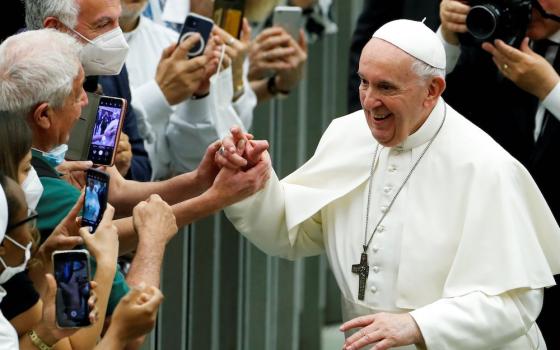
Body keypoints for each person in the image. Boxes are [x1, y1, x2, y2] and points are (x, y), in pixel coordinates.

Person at [219, 19, 560, 349]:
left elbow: (517, 303)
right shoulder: (347, 134)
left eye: (386, 87)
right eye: (364, 82)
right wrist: (255, 184)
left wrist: (418, 326)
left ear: (432, 90)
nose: (368, 101)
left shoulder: (485, 166)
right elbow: (292, 231)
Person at [439, 0, 560, 346]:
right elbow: (431, 103)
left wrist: (551, 90)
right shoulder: (494, 24)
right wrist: (447, 37)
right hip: (495, 249)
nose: (529, 5)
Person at [25, 0, 153, 181]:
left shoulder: (109, 68)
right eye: (102, 24)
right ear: (55, 29)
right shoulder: (15, 79)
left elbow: (143, 165)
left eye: (118, 23)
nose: (118, 39)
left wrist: (121, 167)